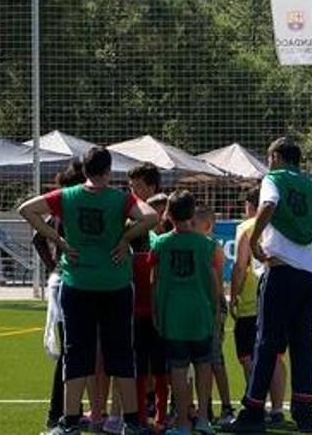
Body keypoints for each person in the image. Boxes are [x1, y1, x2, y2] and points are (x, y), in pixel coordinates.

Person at [19, 147, 158, 435]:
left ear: (84, 169)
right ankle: (131, 422)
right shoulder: (121, 198)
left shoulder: (67, 196)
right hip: (115, 284)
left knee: (76, 353)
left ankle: (69, 422)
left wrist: (59, 240)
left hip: (77, 282)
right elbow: (151, 216)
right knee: (121, 354)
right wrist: (125, 238)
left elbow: (26, 210)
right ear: (108, 171)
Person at [224, 137, 312, 434]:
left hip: (281, 271)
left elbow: (269, 205)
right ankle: (304, 412)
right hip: (309, 276)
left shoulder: (273, 179)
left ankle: (253, 410)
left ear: (275, 157)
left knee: (266, 342)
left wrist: (255, 239)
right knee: (302, 344)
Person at [149, 190, 222, 435]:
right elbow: (213, 281)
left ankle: (182, 422)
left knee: (178, 370)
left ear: (168, 214)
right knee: (204, 365)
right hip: (200, 312)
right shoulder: (207, 244)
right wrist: (215, 308)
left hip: (173, 314)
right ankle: (202, 418)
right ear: (192, 213)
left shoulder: (160, 243)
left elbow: (154, 280)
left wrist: (156, 311)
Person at [33, 161, 88, 434]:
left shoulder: (64, 208)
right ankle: (60, 414)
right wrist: (55, 262)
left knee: (74, 349)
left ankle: (70, 412)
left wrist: (51, 263)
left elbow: (37, 236)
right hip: (72, 281)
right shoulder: (70, 207)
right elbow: (37, 237)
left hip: (71, 280)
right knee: (72, 350)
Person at [229, 187, 287, 425]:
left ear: (251, 206)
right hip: (279, 298)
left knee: (247, 357)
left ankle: (257, 404)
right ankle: (277, 408)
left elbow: (241, 267)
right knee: (275, 356)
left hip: (252, 302)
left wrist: (233, 295)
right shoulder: (281, 226)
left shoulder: (246, 227)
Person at [127, 163, 169, 429]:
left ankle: (162, 412)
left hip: (160, 309)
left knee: (163, 363)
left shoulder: (165, 232)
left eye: (138, 186)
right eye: (131, 186)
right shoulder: (129, 221)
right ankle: (142, 411)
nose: (133, 191)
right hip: (137, 307)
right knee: (140, 363)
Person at [195, 203, 236, 426]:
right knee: (203, 360)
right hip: (202, 307)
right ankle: (206, 406)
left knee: (214, 359)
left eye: (194, 223)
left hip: (212, 307)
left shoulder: (211, 247)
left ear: (207, 225)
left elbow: (215, 282)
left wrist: (216, 305)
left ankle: (227, 406)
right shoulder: (201, 245)